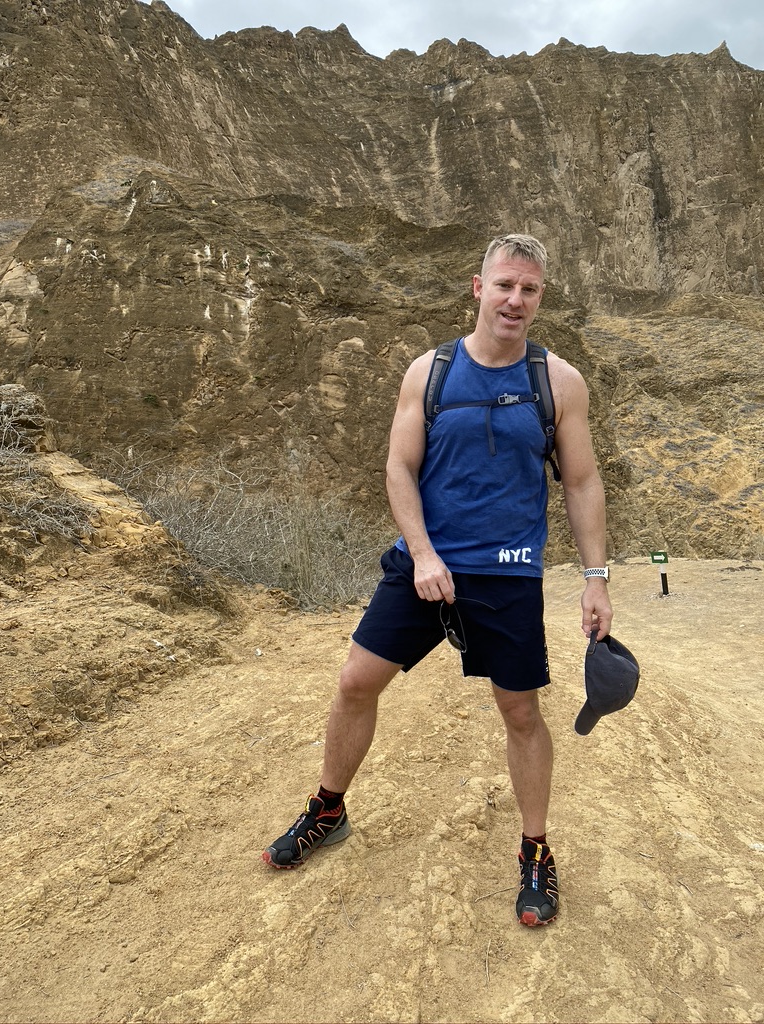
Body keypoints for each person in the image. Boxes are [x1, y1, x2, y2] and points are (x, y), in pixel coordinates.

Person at [262, 233, 613, 928]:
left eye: (529, 289)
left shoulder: (559, 383)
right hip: (425, 565)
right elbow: (400, 467)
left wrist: (595, 578)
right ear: (479, 288)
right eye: (504, 285)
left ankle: (535, 851)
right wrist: (423, 555)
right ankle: (328, 809)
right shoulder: (430, 372)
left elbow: (581, 481)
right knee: (356, 682)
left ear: (540, 298)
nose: (515, 300)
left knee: (520, 714)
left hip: (509, 575)